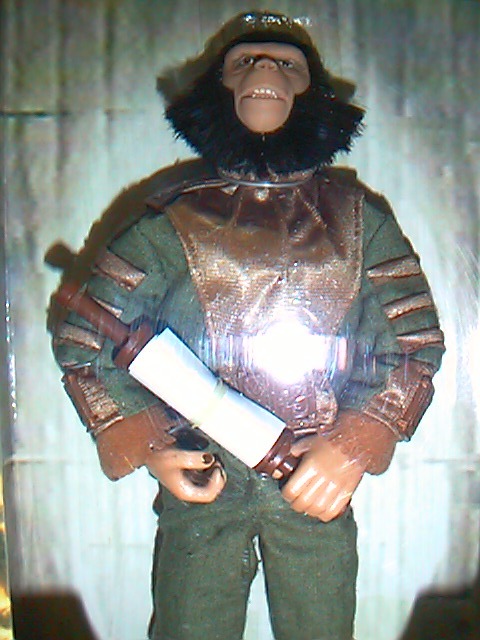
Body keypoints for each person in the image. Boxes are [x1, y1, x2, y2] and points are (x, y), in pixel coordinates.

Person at [50, 11, 445, 640]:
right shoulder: (173, 225)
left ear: (313, 93)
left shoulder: (357, 223)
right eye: (245, 62)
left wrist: (355, 441)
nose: (265, 72)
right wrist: (152, 445)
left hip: (312, 471)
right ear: (219, 89)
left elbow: (412, 339)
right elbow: (84, 336)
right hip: (206, 474)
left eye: (287, 64)